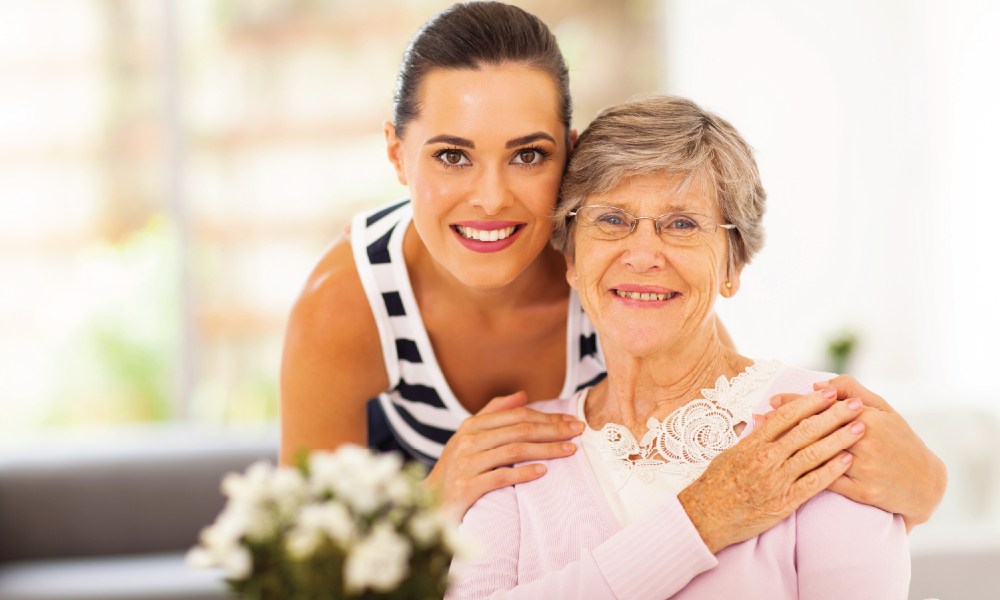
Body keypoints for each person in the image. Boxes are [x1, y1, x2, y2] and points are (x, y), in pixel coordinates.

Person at [280, 1, 944, 529]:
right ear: (397, 154)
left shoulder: (612, 271)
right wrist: (436, 500)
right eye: (452, 155)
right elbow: (298, 565)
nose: (490, 197)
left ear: (567, 153)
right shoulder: (348, 304)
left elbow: (717, 414)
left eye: (528, 155)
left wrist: (923, 482)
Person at [447, 94, 910, 599]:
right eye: (612, 219)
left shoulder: (814, 425)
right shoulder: (516, 456)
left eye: (683, 224)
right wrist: (698, 521)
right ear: (573, 260)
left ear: (733, 267)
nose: (643, 254)